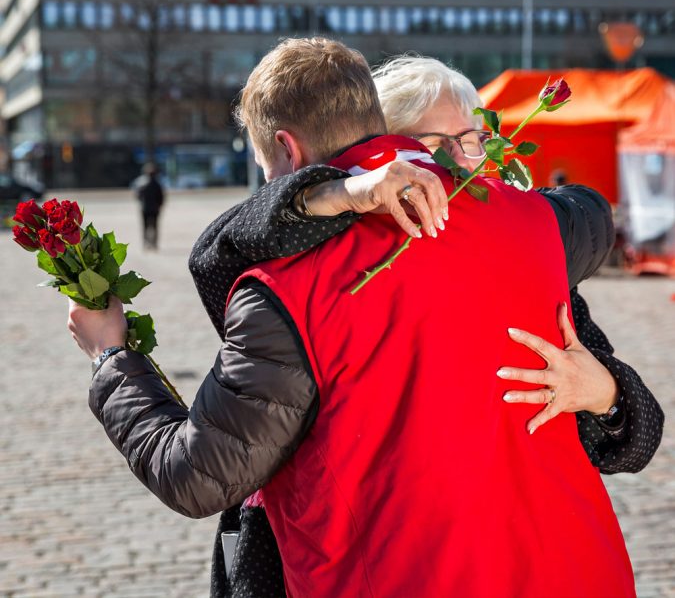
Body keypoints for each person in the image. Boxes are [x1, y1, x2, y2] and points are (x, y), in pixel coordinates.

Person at [68, 39, 641, 596]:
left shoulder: (288, 286)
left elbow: (196, 477)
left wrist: (109, 356)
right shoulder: (533, 226)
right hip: (582, 571)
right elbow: (591, 217)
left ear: (287, 151)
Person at [135, 162, 164, 249]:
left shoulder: (141, 183)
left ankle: (146, 243)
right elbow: (161, 197)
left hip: (145, 208)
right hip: (155, 209)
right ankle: (154, 243)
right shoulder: (157, 184)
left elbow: (138, 196)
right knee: (154, 227)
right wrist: (159, 205)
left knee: (145, 227)